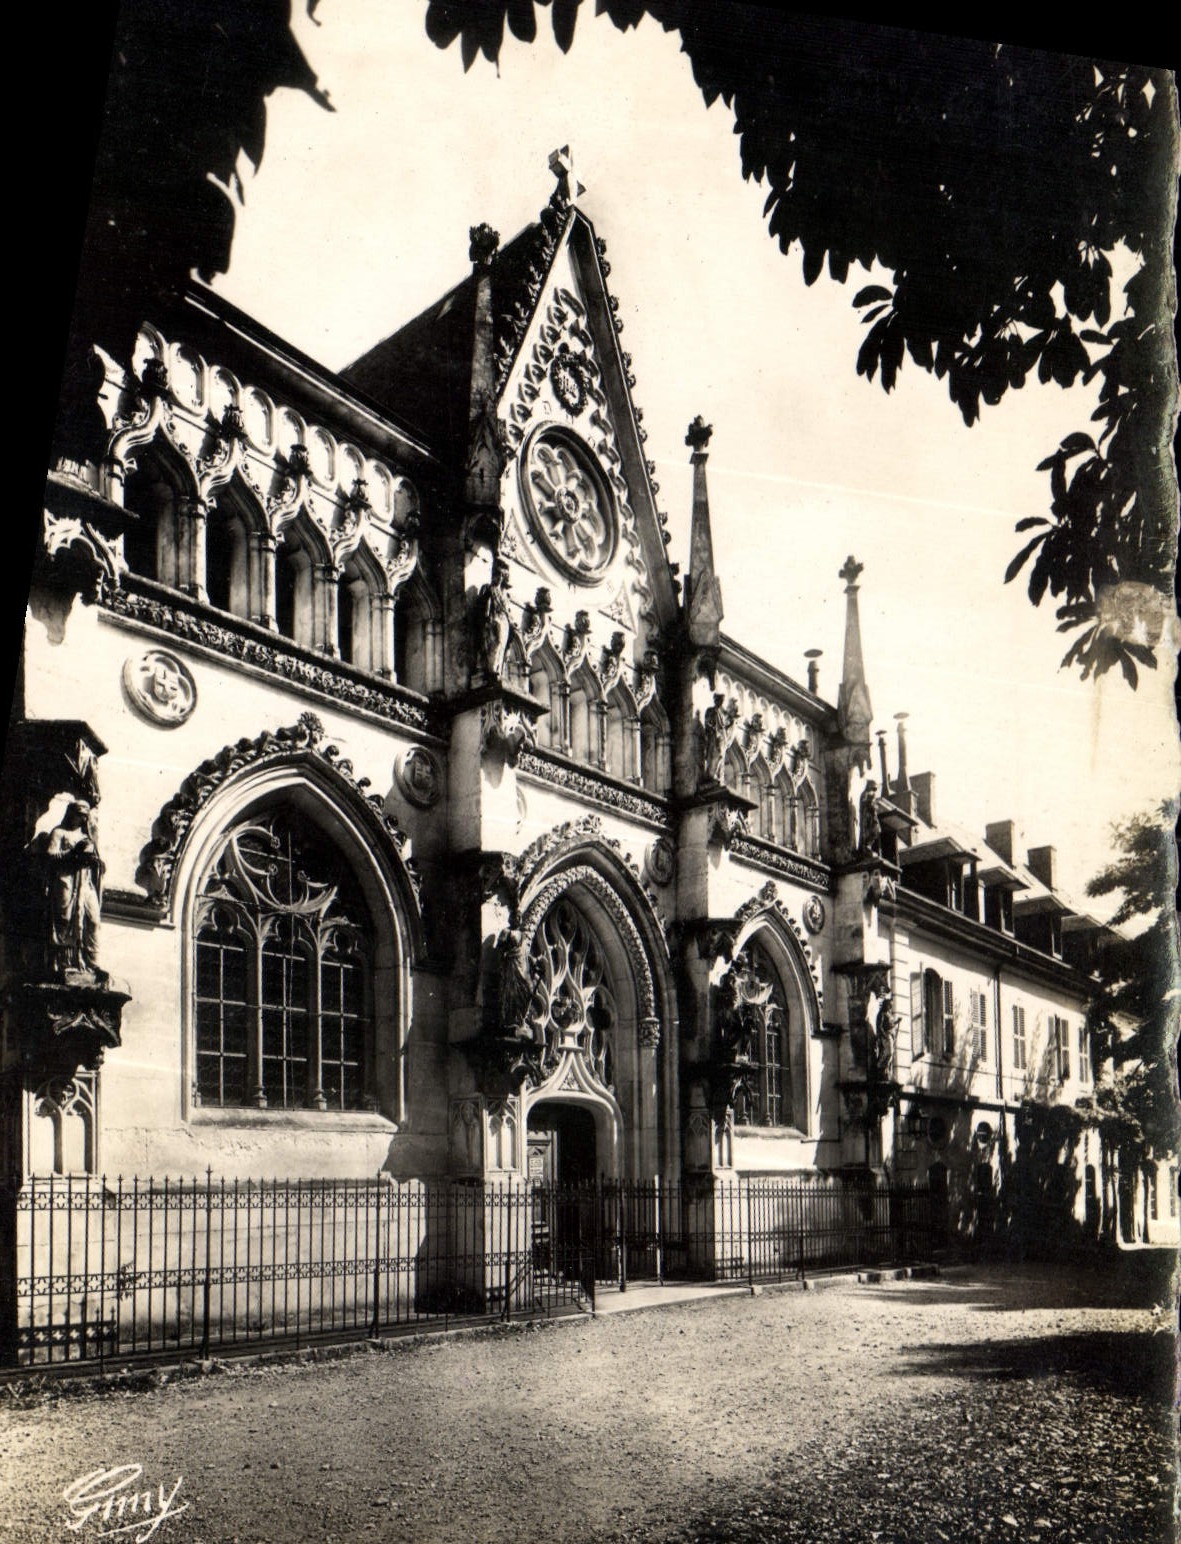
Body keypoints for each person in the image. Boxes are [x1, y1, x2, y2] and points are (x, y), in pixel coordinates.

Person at [45, 800, 105, 983]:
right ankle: (63, 963)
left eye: (84, 816)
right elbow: (49, 855)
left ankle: (91, 963)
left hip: (85, 882)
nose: (81, 819)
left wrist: (95, 861)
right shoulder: (59, 832)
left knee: (93, 920)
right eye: (79, 814)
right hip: (66, 880)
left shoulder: (87, 836)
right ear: (71, 813)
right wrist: (72, 855)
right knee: (65, 918)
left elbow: (99, 862)